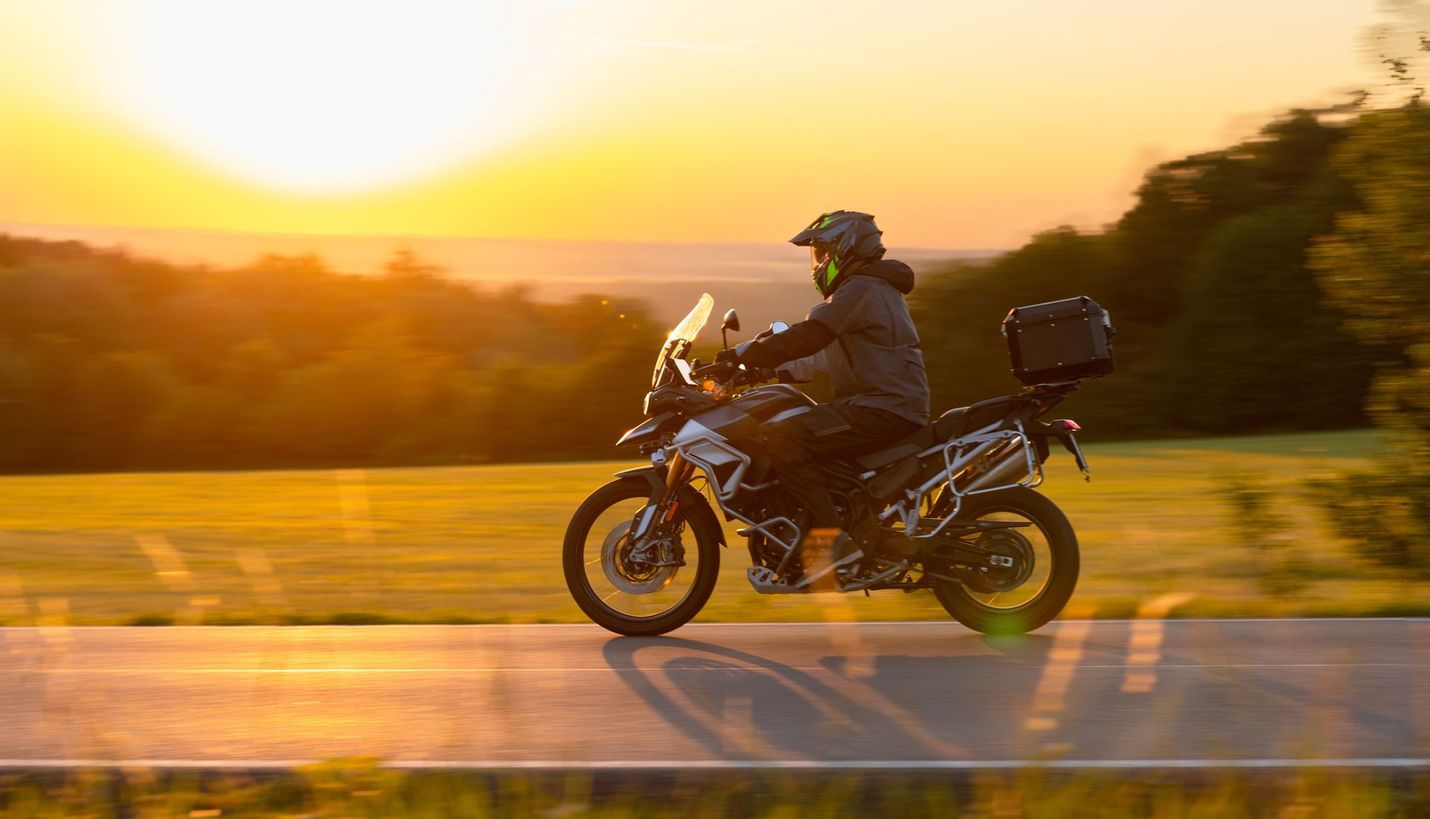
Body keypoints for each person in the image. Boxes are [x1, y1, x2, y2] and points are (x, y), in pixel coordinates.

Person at [717, 211, 930, 587]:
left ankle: (832, 542)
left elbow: (812, 335)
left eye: (823, 253)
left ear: (845, 248)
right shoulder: (870, 289)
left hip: (883, 408)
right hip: (883, 405)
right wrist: (767, 371)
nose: (819, 263)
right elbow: (819, 356)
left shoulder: (862, 288)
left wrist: (741, 355)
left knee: (783, 436)